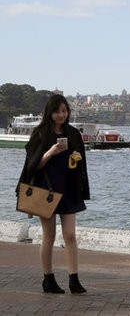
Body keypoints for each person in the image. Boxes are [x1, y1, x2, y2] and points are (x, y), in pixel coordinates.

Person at [16, 94, 90, 294]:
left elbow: (80, 162)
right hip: (46, 190)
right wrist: (50, 152)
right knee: (49, 235)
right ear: (50, 112)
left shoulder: (73, 134)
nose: (61, 115)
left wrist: (75, 158)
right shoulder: (40, 134)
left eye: (64, 111)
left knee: (71, 235)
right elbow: (32, 166)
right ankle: (48, 279)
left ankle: (74, 279)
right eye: (57, 111)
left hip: (69, 189)